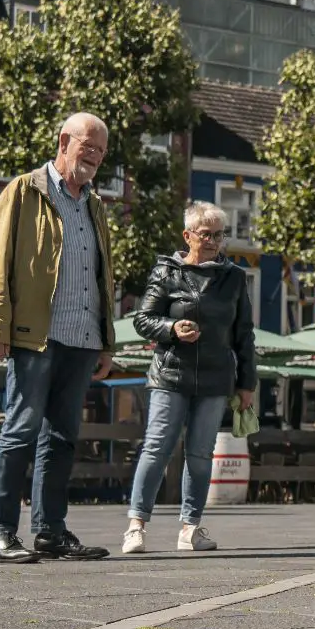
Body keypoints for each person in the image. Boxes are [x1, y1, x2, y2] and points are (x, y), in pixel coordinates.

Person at [0, 113, 116, 564]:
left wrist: (106, 340)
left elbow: (103, 277)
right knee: (20, 430)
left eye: (100, 151)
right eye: (87, 146)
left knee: (62, 438)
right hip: (34, 335)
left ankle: (50, 532)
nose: (94, 156)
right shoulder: (23, 191)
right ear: (63, 141)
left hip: (82, 337)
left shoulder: (95, 205)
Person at [124, 202, 259, 554]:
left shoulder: (234, 278)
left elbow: (244, 334)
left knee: (201, 454)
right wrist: (171, 328)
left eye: (219, 234)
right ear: (188, 236)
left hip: (216, 380)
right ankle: (136, 525)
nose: (214, 241)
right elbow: (142, 319)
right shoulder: (167, 272)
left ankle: (190, 527)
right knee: (157, 447)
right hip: (170, 373)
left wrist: (247, 383)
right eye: (206, 234)